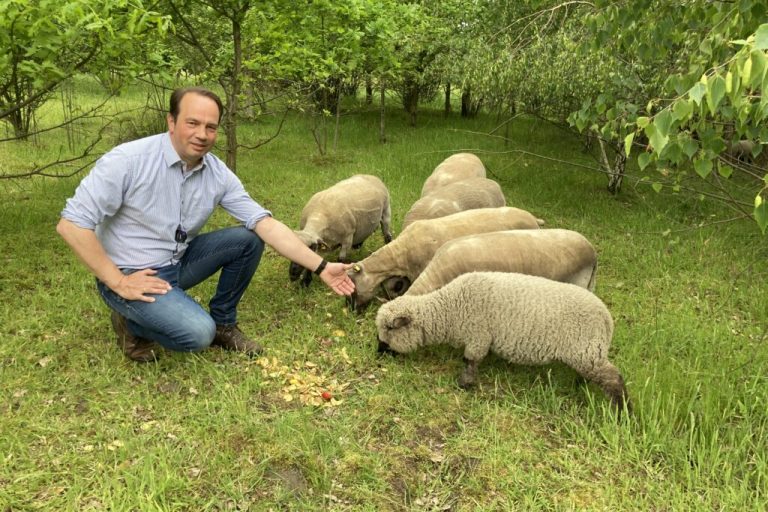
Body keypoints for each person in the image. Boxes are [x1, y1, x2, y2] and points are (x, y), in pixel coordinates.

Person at [57, 86, 355, 363]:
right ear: (171, 122)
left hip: (176, 262)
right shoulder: (128, 161)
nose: (202, 134)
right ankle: (130, 321)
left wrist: (322, 267)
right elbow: (71, 224)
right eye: (192, 123)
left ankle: (224, 324)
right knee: (198, 334)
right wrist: (118, 281)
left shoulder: (216, 173)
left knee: (248, 239)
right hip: (130, 271)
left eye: (211, 127)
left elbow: (266, 224)